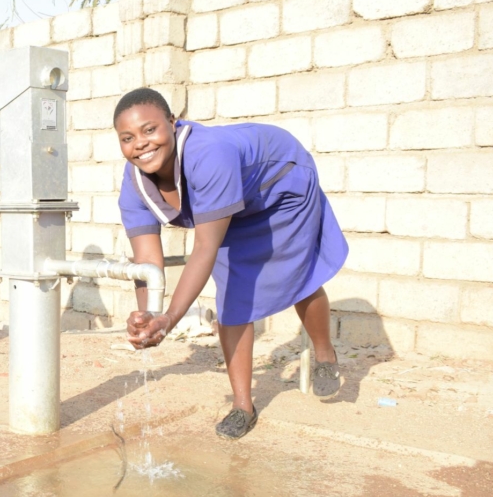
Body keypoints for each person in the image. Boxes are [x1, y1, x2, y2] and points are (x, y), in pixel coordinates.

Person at [114, 88, 348, 439]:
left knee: (297, 275)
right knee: (234, 298)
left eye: (150, 130)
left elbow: (205, 247)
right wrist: (149, 315)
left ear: (173, 124)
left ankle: (325, 354)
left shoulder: (209, 154)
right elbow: (147, 261)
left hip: (281, 185)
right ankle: (243, 406)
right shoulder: (134, 184)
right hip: (231, 204)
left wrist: (170, 319)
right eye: (127, 138)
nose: (141, 144)